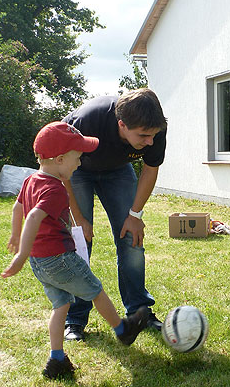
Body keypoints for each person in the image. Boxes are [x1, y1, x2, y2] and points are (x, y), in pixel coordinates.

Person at [1, 122, 150, 379]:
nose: (79, 165)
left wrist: (16, 236)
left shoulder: (30, 181)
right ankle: (122, 330)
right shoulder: (55, 188)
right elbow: (35, 216)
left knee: (60, 306)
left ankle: (56, 359)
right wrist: (20, 255)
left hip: (41, 263)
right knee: (96, 290)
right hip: (60, 259)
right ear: (59, 159)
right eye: (77, 159)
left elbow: (18, 209)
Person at [61, 88, 168, 341]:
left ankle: (139, 312)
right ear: (121, 124)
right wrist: (78, 219)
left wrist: (135, 214)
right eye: (143, 136)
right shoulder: (87, 121)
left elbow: (150, 170)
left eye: (153, 136)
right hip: (76, 170)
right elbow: (62, 169)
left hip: (117, 171)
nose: (150, 142)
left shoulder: (154, 128)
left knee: (131, 239)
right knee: (80, 243)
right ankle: (75, 319)